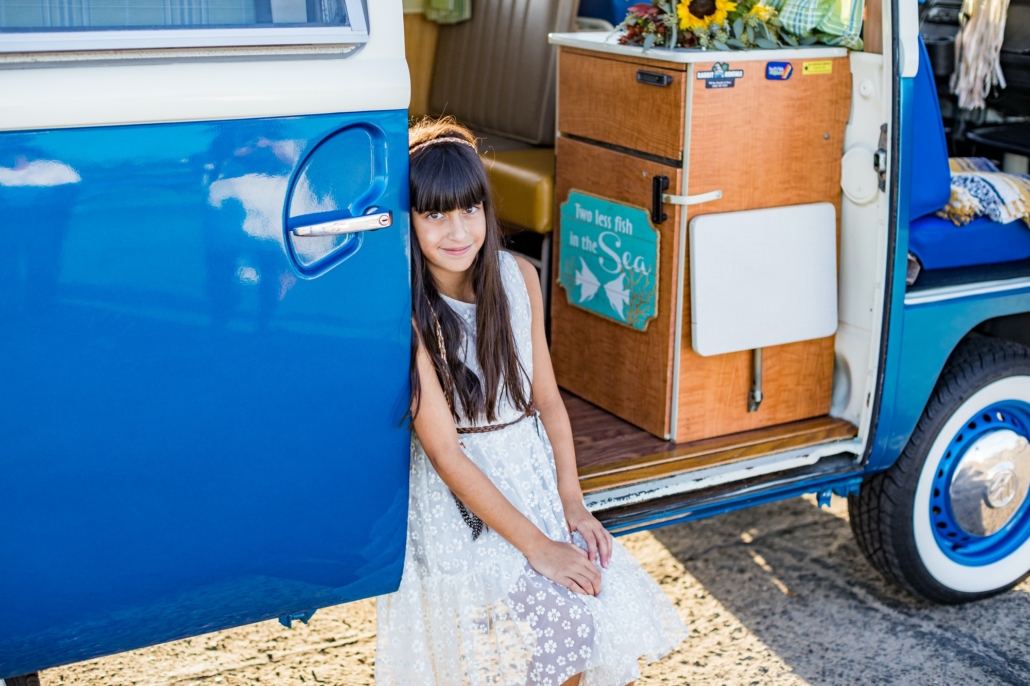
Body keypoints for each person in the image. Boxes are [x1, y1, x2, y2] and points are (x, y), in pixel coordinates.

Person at [375, 118, 687, 686]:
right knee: (565, 625)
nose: (457, 230)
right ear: (408, 222)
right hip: (464, 500)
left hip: (534, 476)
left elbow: (547, 399)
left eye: (470, 209)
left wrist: (572, 501)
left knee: (598, 612)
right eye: (435, 214)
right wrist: (539, 547)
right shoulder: (413, 320)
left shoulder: (517, 276)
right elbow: (446, 454)